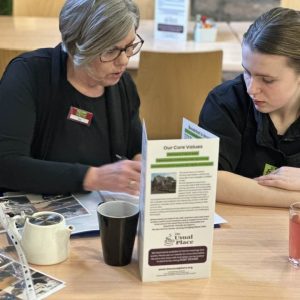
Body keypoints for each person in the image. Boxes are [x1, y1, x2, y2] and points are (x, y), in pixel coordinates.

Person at [0, 0, 144, 196]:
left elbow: (135, 147)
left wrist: (139, 163)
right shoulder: (28, 74)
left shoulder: (122, 85)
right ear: (77, 46)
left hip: (100, 213)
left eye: (129, 47)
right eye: (110, 50)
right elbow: (6, 164)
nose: (124, 60)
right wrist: (92, 178)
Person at [199, 7, 300, 207]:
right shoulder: (224, 102)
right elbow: (208, 180)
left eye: (267, 80)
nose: (251, 89)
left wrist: (247, 190)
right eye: (247, 72)